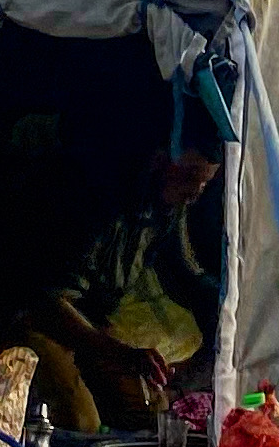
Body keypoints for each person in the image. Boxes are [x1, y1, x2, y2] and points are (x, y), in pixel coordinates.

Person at [20, 133, 222, 430]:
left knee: (149, 412)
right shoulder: (100, 203)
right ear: (159, 162)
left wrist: (229, 303)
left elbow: (187, 272)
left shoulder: (167, 207)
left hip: (94, 327)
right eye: (192, 176)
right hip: (42, 322)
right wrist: (122, 354)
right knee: (82, 422)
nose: (196, 192)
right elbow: (50, 302)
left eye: (205, 183)